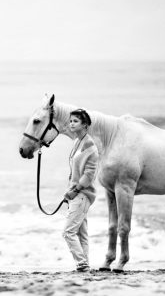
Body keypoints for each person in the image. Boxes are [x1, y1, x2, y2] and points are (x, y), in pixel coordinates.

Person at [63, 108, 98, 272]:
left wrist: (74, 190)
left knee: (68, 232)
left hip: (82, 194)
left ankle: (82, 263)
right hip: (76, 194)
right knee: (81, 234)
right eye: (70, 121)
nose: (71, 124)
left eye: (75, 121)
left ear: (85, 125)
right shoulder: (77, 142)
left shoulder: (90, 146)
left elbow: (89, 174)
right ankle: (85, 266)